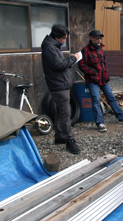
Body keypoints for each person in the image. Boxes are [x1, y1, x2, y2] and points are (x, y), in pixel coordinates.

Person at [78, 30, 123, 132]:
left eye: (100, 38)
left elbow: (103, 65)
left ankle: (121, 117)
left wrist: (106, 74)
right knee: (95, 101)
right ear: (91, 38)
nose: (99, 40)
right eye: (96, 38)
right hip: (92, 79)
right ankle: (100, 123)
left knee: (111, 97)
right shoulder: (85, 50)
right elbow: (82, 65)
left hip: (103, 78)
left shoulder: (101, 49)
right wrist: (93, 72)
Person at [41, 24, 81, 154]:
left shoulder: (53, 46)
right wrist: (72, 58)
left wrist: (69, 61)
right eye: (63, 38)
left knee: (60, 112)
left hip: (61, 84)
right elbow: (58, 65)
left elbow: (59, 64)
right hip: (58, 85)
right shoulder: (49, 47)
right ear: (56, 36)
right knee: (65, 114)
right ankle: (70, 140)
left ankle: (59, 136)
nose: (64, 41)